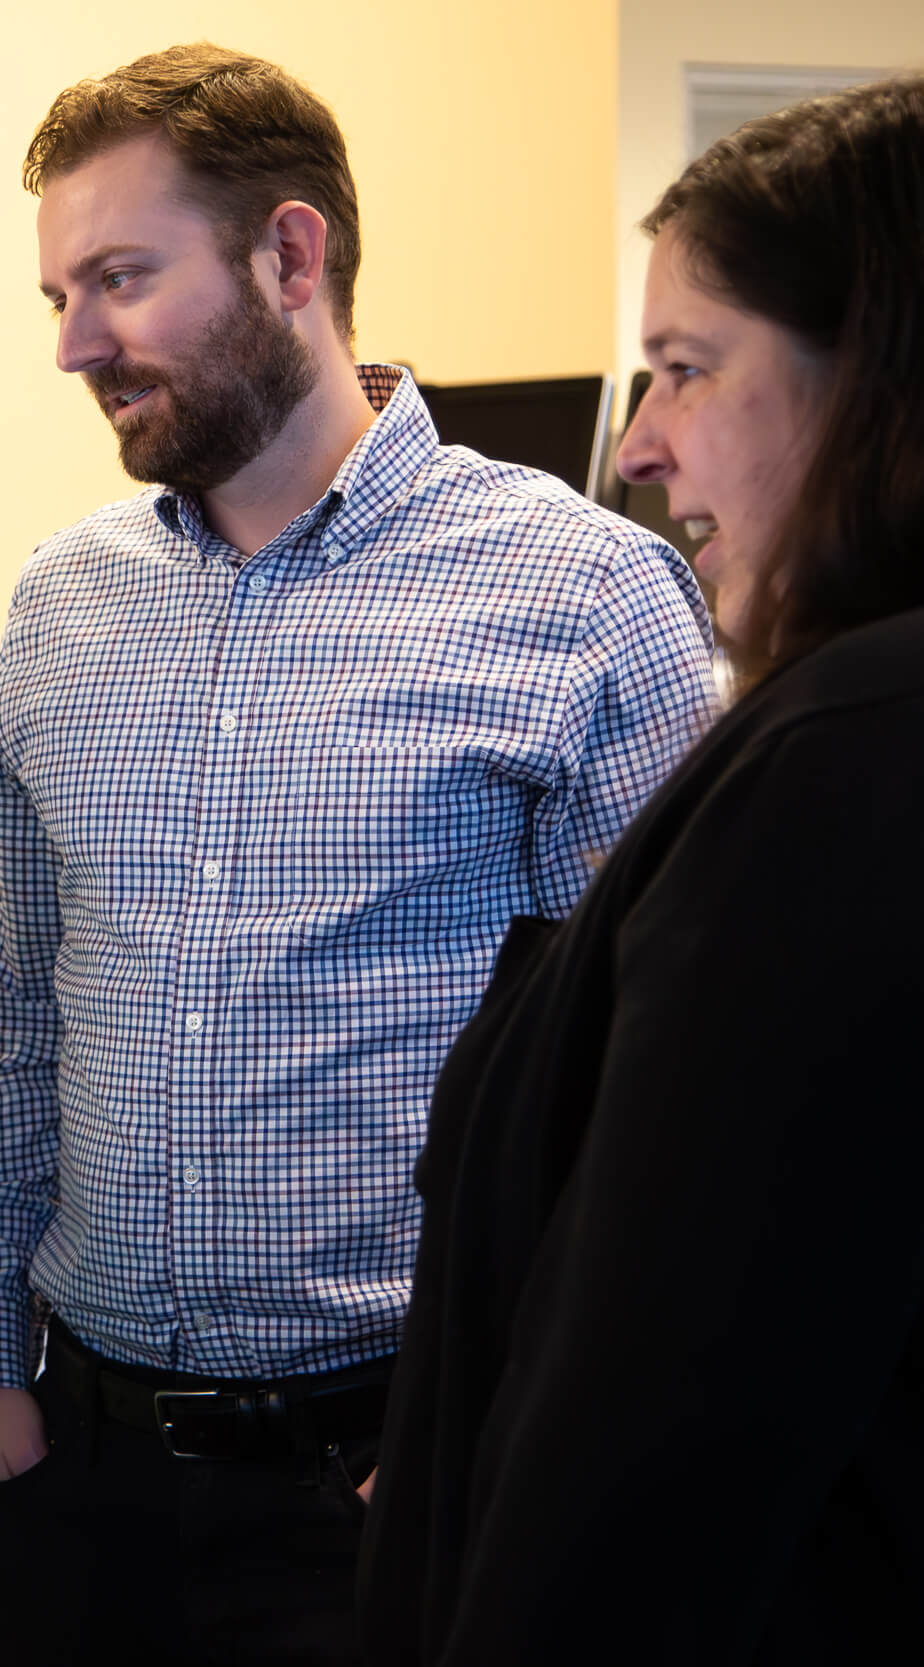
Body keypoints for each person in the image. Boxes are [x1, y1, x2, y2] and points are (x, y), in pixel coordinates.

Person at [0, 43, 716, 1664]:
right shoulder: (60, 605)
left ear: (292, 258)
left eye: (122, 279)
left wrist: (495, 1431)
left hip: (386, 1481)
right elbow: (5, 1012)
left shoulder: (586, 601)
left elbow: (643, 1099)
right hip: (79, 1474)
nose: (77, 341)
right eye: (59, 295)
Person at [359, 77, 924, 1665]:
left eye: (686, 368)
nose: (645, 444)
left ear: (872, 379)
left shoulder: (836, 767)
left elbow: (676, 1388)